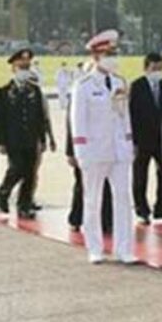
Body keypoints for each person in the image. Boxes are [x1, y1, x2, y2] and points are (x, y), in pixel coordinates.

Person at [71, 29, 136, 264]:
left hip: (119, 150)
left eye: (114, 53)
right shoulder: (84, 85)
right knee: (93, 200)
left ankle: (124, 248)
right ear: (97, 56)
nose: (113, 58)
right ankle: (95, 247)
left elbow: (124, 116)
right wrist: (81, 152)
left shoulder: (119, 82)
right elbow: (78, 121)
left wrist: (129, 144)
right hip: (95, 150)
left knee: (123, 199)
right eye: (109, 54)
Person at [0, 48, 48, 220]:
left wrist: (42, 138)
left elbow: (40, 116)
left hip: (31, 139)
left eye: (27, 66)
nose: (24, 69)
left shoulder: (34, 90)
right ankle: (4, 191)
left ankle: (24, 205)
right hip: (13, 139)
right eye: (21, 66)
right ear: (13, 68)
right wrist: (0, 141)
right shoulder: (4, 91)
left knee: (30, 173)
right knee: (16, 168)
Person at [65, 61, 113, 234]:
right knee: (82, 185)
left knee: (106, 185)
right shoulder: (80, 91)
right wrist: (71, 152)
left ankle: (106, 220)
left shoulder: (110, 89)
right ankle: (76, 218)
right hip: (85, 149)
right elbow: (72, 125)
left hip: (105, 147)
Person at [129, 52, 162, 224]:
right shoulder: (137, 86)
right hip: (142, 139)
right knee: (140, 175)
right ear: (146, 68)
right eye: (155, 68)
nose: (158, 72)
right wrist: (132, 140)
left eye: (161, 69)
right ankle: (142, 210)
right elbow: (131, 115)